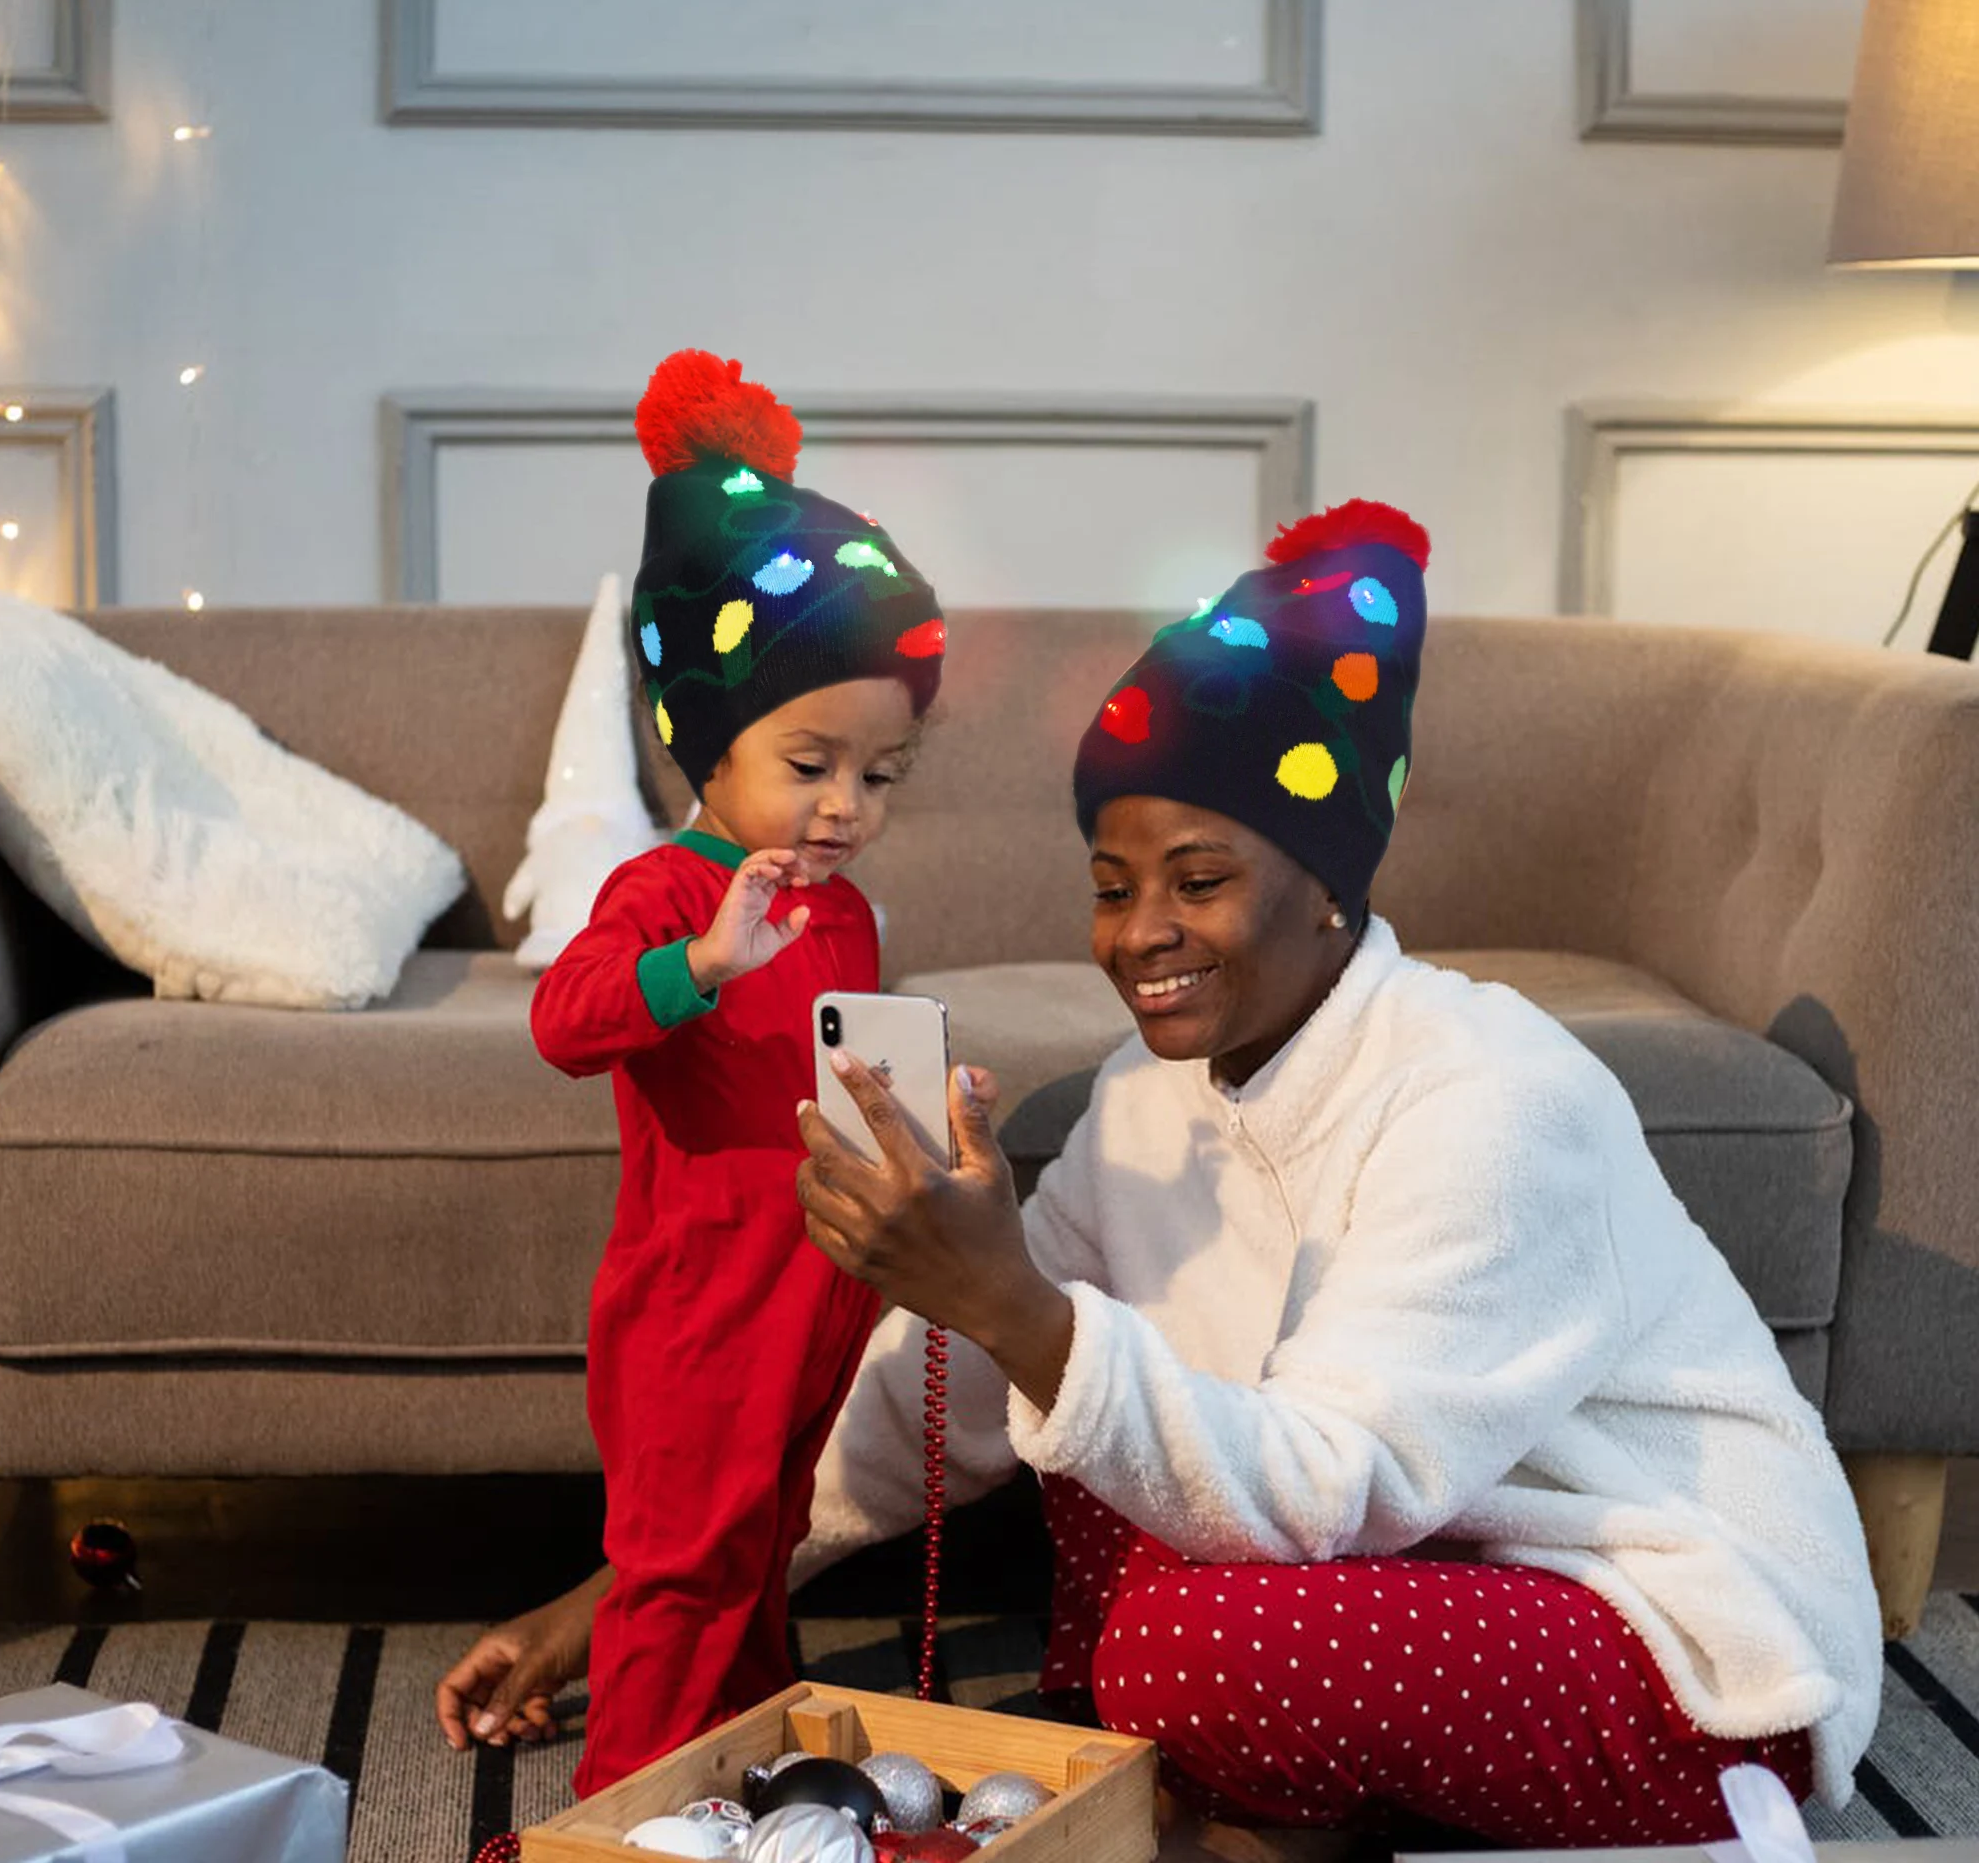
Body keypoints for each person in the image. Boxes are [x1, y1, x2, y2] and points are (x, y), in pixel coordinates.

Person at [441, 499, 1882, 1847]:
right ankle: (1238, 1794)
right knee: (1085, 1423)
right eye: (1111, 887)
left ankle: (1241, 1814)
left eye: (1198, 883)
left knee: (1185, 1635)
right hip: (1397, 1560)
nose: (1139, 937)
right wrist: (625, 1593)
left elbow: (1330, 1486)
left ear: (1331, 884)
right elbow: (939, 1399)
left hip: (1667, 1644)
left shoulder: (1490, 1098)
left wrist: (1010, 1301)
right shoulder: (1149, 1096)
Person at [437, 350, 947, 1801]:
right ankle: (631, 1804)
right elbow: (568, 1021)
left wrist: (919, 1121)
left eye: (880, 776)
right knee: (677, 1573)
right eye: (811, 764)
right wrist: (703, 963)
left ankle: (742, 1771)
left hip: (815, 1293)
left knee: (759, 1549)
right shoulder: (667, 891)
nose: (845, 806)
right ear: (707, 745)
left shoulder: (843, 909)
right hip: (698, 1312)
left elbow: (838, 1073)